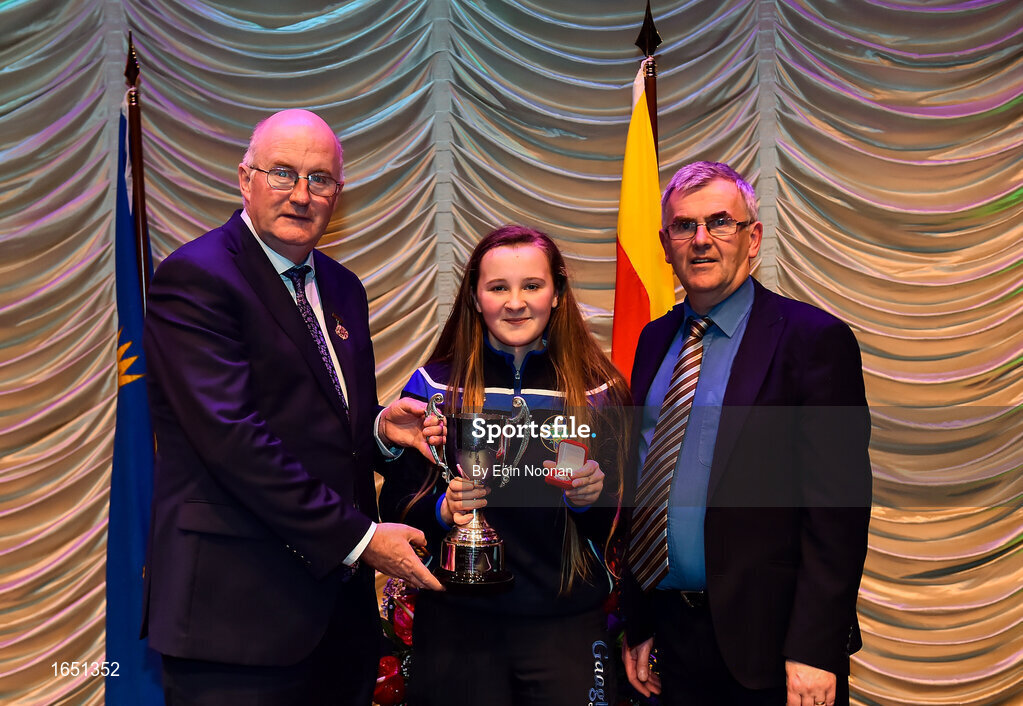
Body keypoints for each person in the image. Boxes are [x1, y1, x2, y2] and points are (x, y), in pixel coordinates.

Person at [141, 109, 442, 706]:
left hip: (335, 623)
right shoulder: (196, 278)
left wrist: (381, 430)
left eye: (321, 179)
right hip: (235, 625)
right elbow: (234, 440)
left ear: (338, 192)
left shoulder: (342, 287)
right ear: (244, 179)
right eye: (283, 174)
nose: (302, 195)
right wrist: (362, 539)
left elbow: (321, 425)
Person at [621, 161, 872, 706]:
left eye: (720, 222)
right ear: (665, 244)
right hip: (672, 642)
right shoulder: (653, 341)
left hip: (775, 650)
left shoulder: (814, 341)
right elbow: (645, 483)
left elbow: (839, 516)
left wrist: (814, 647)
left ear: (752, 237)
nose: (702, 240)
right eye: (685, 227)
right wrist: (637, 618)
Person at [379, 225, 631, 705]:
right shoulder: (434, 386)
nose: (516, 302)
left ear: (557, 293)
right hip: (457, 629)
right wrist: (441, 511)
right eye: (498, 288)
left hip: (566, 626)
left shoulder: (601, 390)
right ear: (475, 298)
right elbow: (395, 507)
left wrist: (593, 500)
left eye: (532, 286)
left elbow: (623, 525)